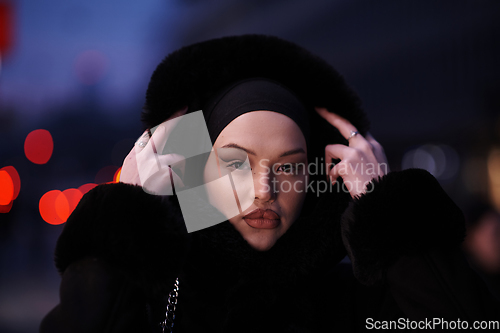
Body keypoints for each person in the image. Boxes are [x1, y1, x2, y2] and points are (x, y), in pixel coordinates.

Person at [40, 35, 499, 333]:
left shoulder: (364, 299)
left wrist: (386, 208)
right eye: (236, 163)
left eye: (289, 166)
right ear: (197, 169)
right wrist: (127, 218)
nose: (264, 189)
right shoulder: (154, 296)